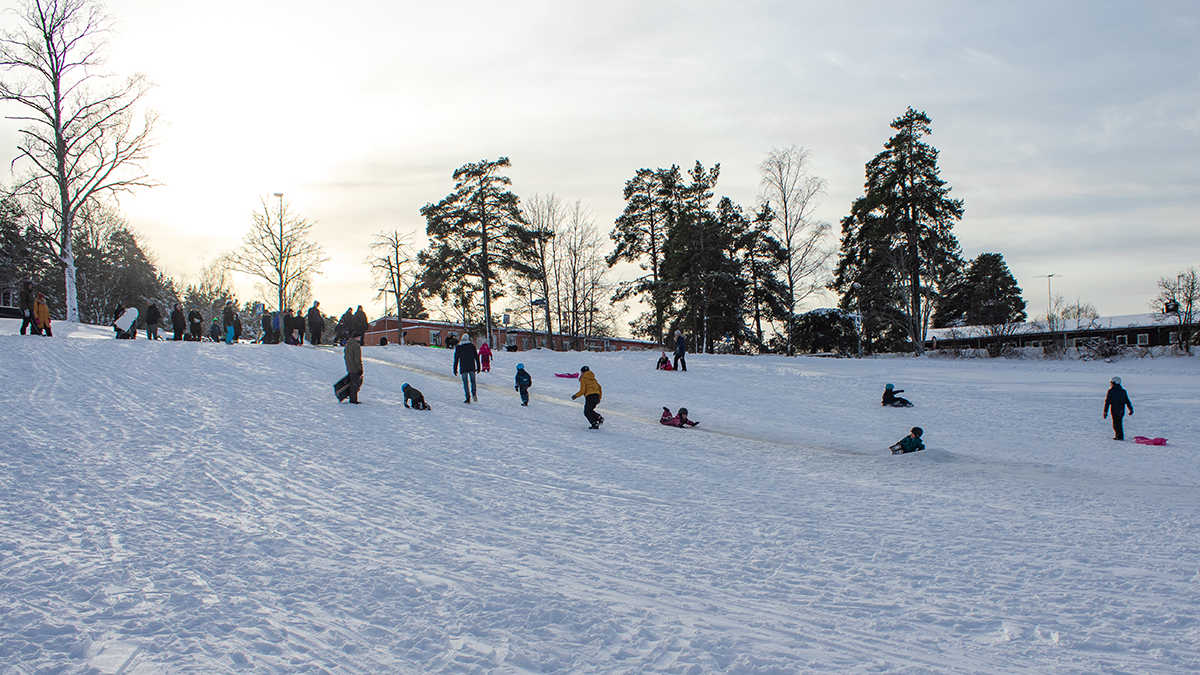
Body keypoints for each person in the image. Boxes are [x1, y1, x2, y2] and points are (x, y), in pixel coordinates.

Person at [1103, 376, 1134, 441]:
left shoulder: (1110, 391)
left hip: (1114, 410)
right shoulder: (1123, 391)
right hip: (1121, 410)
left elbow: (1107, 402)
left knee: (1115, 423)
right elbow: (1127, 400)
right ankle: (1119, 435)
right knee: (1119, 422)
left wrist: (1105, 411)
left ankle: (1119, 436)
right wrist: (1130, 408)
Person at [453, 334, 480, 403]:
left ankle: (467, 397)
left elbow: (456, 359)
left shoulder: (458, 347)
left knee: (465, 382)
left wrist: (455, 368)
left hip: (463, 367)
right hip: (471, 366)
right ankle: (474, 393)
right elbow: (476, 357)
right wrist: (478, 366)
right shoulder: (471, 346)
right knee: (473, 381)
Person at [344, 333, 363, 404]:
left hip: (349, 367)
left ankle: (352, 398)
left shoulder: (348, 345)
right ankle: (353, 399)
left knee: (352, 383)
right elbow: (357, 358)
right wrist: (360, 368)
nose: (360, 338)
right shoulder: (355, 346)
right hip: (355, 368)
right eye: (359, 336)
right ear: (356, 337)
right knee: (355, 383)